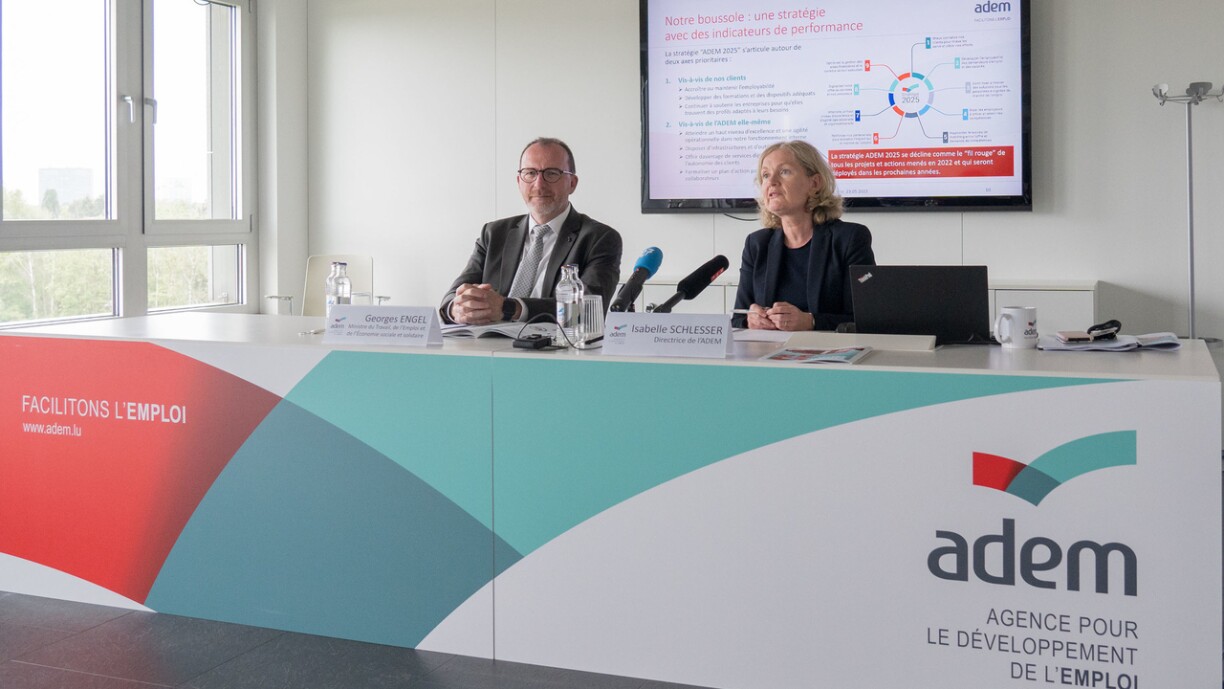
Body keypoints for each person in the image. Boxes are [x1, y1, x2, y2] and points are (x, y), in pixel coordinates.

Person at [440, 138, 622, 325]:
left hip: (553, 343)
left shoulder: (599, 239)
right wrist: (457, 308)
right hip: (487, 341)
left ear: (572, 183)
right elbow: (453, 296)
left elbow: (587, 310)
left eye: (552, 173)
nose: (539, 184)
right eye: (530, 173)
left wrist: (508, 308)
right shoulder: (494, 234)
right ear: (519, 181)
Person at [732, 140, 875, 331]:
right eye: (765, 175)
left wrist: (810, 322)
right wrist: (750, 321)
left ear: (814, 183)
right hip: (768, 349)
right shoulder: (757, 244)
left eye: (784, 172)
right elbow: (737, 318)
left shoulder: (850, 239)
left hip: (827, 348)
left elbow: (865, 320)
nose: (771, 182)